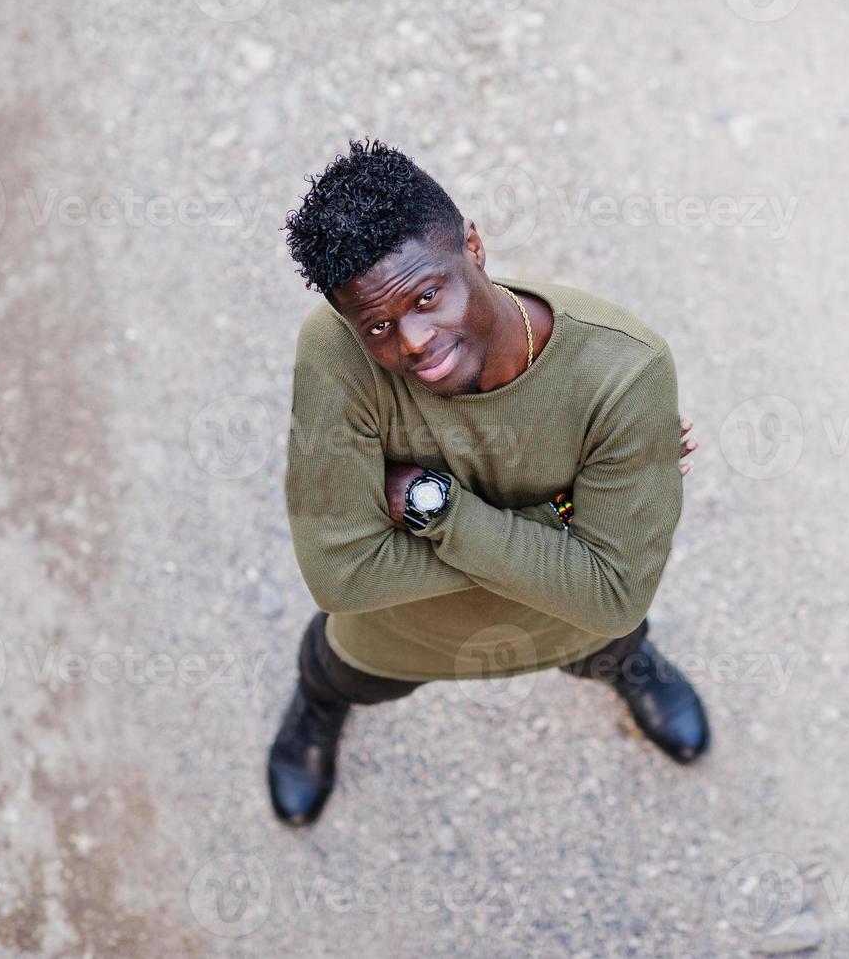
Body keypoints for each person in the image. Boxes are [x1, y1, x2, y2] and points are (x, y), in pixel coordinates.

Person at [269, 139, 709, 827]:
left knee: (615, 643)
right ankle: (318, 714)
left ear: (471, 246)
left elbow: (617, 595)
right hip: (400, 633)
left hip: (572, 625)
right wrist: (567, 527)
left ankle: (628, 672)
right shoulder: (335, 352)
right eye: (379, 325)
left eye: (427, 295)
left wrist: (434, 509)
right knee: (340, 677)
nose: (410, 340)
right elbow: (344, 576)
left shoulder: (622, 370)